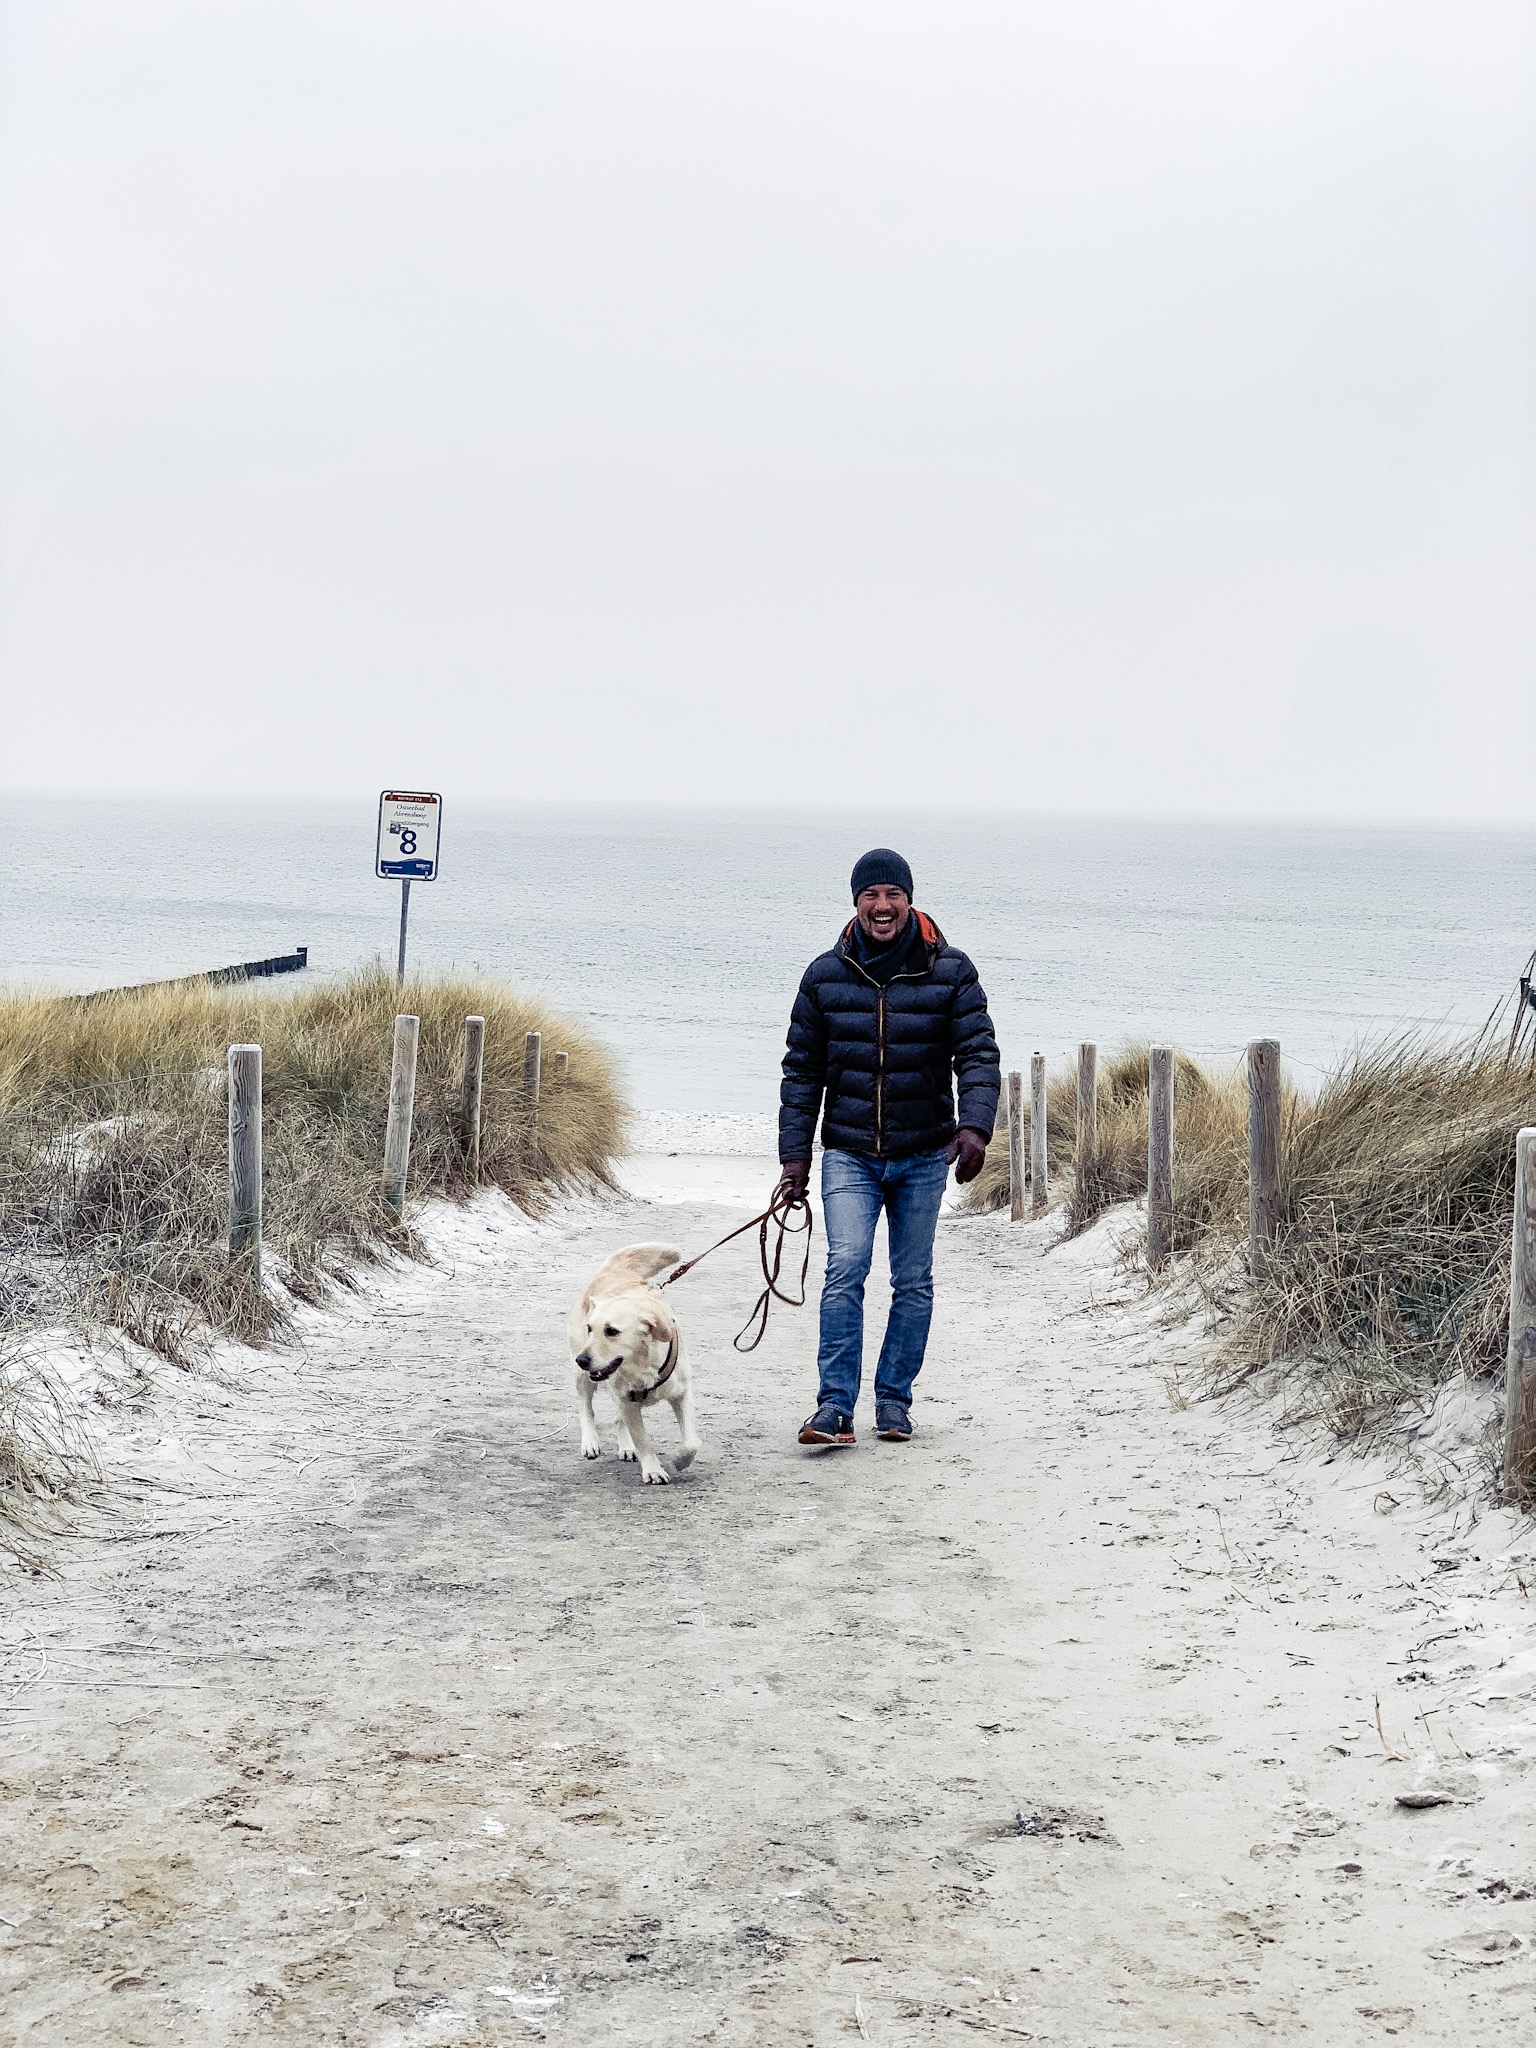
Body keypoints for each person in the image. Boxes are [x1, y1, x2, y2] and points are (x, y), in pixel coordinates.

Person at [777, 848, 1000, 1447]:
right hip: (848, 1152)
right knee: (845, 1269)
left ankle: (894, 1404)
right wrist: (794, 1159)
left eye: (892, 895)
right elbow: (802, 1072)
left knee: (913, 1281)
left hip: (925, 1154)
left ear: (909, 899)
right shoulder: (825, 975)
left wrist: (975, 1128)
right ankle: (833, 1409)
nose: (882, 906)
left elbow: (977, 1053)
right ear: (856, 903)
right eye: (870, 895)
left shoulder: (950, 971)